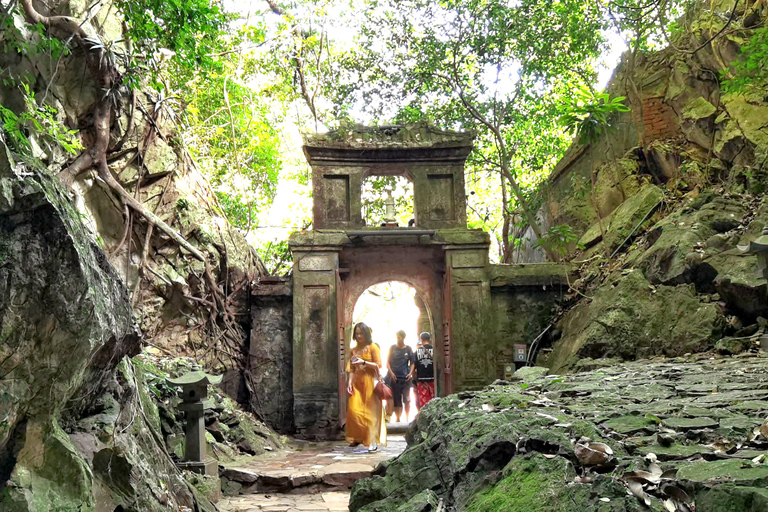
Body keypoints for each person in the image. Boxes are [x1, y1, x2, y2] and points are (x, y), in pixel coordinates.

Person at [346, 322, 386, 452]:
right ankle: (358, 437)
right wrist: (349, 383)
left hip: (370, 382)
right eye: (356, 333)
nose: (358, 336)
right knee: (354, 410)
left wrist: (363, 362)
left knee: (370, 412)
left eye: (361, 333)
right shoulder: (353, 350)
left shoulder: (373, 347)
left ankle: (372, 440)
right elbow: (351, 368)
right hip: (357, 383)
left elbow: (378, 365)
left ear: (366, 333)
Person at [387, 330, 415, 423]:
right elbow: (388, 362)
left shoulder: (408, 349)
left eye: (400, 337)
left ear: (403, 338)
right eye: (397, 337)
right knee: (396, 399)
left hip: (406, 378)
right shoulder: (392, 348)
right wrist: (391, 373)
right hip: (395, 378)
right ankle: (398, 418)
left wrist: (410, 373)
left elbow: (412, 363)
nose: (398, 339)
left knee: (406, 399)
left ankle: (407, 418)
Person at [414, 332, 435, 408]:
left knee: (424, 400)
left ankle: (426, 416)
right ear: (429, 339)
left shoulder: (417, 351)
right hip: (433, 378)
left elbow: (414, 366)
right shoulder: (434, 349)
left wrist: (413, 379)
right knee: (434, 399)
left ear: (421, 339)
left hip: (421, 379)